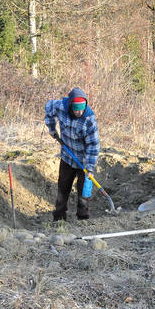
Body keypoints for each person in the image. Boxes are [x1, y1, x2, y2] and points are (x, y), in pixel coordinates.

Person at [45, 87, 100, 221]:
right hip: (67, 156)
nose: (79, 112)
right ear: (70, 105)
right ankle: (59, 217)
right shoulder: (61, 107)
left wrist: (90, 168)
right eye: (76, 109)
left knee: (84, 191)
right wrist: (52, 128)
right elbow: (48, 107)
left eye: (82, 109)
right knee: (63, 187)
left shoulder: (89, 120)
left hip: (83, 161)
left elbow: (93, 145)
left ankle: (82, 218)